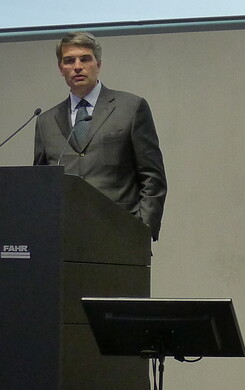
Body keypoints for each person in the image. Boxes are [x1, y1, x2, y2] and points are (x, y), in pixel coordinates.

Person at [33, 31, 167, 241]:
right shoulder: (46, 121)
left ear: (99, 64)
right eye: (69, 61)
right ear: (61, 68)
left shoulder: (131, 108)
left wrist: (143, 230)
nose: (78, 66)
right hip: (64, 237)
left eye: (85, 59)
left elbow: (152, 176)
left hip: (120, 233)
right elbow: (41, 184)